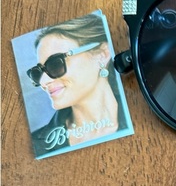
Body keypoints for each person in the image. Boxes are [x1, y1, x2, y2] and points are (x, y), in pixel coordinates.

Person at [29, 14, 128, 153]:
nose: (43, 82)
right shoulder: (37, 146)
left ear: (102, 54)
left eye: (56, 64)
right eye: (37, 73)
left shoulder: (141, 110)